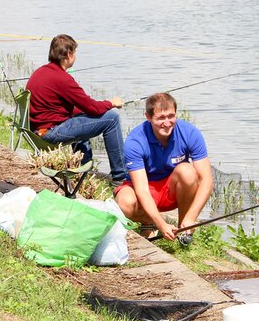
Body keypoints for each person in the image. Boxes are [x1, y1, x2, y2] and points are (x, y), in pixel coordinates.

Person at [25, 34, 127, 183]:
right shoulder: (62, 78)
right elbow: (92, 107)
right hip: (50, 133)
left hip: (37, 130)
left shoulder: (41, 72)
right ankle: (120, 177)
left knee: (82, 116)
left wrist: (86, 110)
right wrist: (111, 103)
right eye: (74, 52)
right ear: (68, 54)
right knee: (112, 118)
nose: (75, 55)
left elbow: (61, 108)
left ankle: (84, 169)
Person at [115, 93, 213, 242]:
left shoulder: (190, 133)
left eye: (171, 116)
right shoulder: (135, 140)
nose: (167, 123)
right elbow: (141, 190)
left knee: (187, 171)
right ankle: (148, 223)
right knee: (124, 203)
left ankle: (184, 229)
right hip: (144, 188)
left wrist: (192, 217)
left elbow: (206, 180)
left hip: (170, 188)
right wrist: (161, 224)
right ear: (148, 116)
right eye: (160, 118)